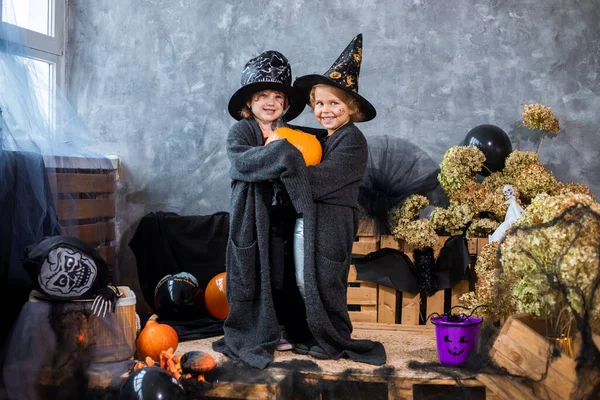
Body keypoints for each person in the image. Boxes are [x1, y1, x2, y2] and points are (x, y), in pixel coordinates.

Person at [284, 33, 385, 363]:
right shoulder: (327, 139)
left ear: (352, 109)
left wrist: (285, 169)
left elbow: (320, 179)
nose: (325, 111)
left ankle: (335, 339)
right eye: (320, 104)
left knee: (328, 280)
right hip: (315, 220)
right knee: (305, 281)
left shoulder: (352, 142)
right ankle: (316, 334)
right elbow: (300, 141)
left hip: (334, 221)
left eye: (335, 104)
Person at [212, 50, 316, 367]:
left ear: (285, 104)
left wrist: (284, 150)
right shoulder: (242, 132)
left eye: (277, 96)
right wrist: (279, 152)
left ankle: (284, 325)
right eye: (262, 95)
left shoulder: (289, 133)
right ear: (250, 102)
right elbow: (242, 161)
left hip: (283, 213)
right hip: (252, 216)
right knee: (254, 274)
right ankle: (258, 330)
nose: (270, 102)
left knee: (282, 272)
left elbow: (302, 165)